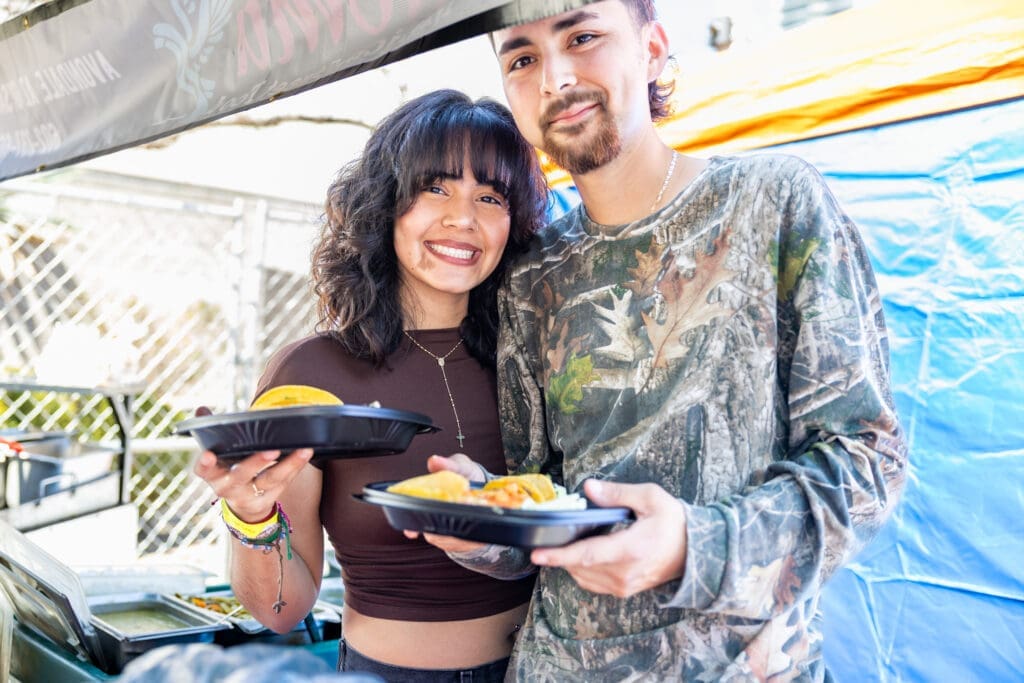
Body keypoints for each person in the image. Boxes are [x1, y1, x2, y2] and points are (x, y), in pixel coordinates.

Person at [420, 2, 910, 680]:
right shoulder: (531, 278)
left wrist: (695, 544)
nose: (556, 78)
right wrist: (480, 518)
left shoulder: (773, 204)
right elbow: (545, 502)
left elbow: (868, 461)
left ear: (652, 49)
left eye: (583, 37)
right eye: (523, 58)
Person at [193, 88, 549, 681]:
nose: (463, 216)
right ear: (387, 204)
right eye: (436, 187)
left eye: (490, 196)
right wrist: (251, 515)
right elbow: (282, 611)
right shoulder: (310, 376)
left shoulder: (538, 358)